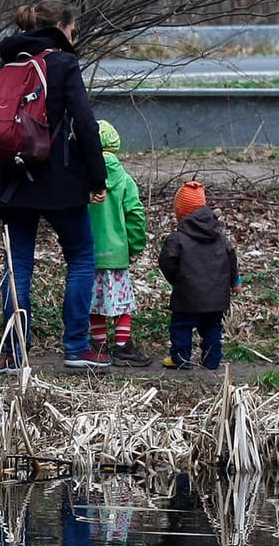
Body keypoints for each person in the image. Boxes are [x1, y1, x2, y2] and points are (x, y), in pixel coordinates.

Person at [0, 0, 109, 371]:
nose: (75, 35)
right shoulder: (63, 62)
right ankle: (76, 347)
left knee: (19, 263)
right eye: (73, 29)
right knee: (81, 256)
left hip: (12, 176)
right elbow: (86, 124)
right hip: (59, 180)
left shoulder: (6, 62)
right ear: (62, 27)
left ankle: (14, 353)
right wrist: (97, 176)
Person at [88, 120, 151, 366]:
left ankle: (99, 345)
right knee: (122, 301)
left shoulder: (83, 177)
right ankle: (123, 346)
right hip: (118, 254)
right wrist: (134, 246)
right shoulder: (124, 179)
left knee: (95, 302)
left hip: (89, 253)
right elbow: (135, 214)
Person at [158, 181, 238, 371]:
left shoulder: (178, 238)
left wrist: (177, 279)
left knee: (181, 326)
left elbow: (166, 261)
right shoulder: (219, 236)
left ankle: (181, 358)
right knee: (212, 327)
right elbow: (231, 258)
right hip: (217, 296)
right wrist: (235, 281)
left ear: (181, 213)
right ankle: (212, 360)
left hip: (187, 294)